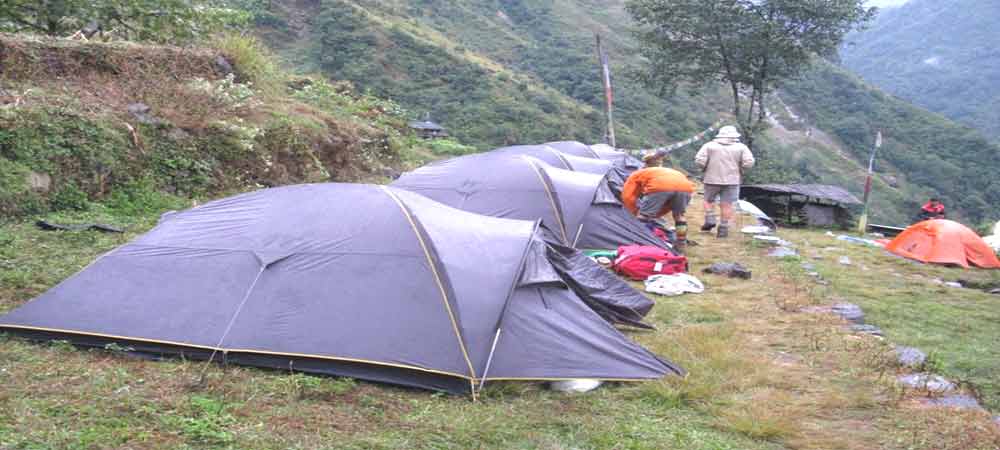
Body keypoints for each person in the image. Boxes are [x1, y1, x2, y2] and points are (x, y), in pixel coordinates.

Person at [695, 125, 755, 238]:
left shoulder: (709, 146)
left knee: (708, 200)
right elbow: (749, 162)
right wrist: (741, 169)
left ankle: (710, 218)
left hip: (711, 179)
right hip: (732, 181)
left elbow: (699, 160)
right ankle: (723, 228)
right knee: (727, 204)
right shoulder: (741, 147)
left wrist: (704, 168)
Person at [621, 167, 696, 246]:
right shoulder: (653, 172)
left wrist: (634, 213)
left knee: (644, 216)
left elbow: (627, 197)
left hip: (660, 185)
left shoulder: (633, 177)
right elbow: (665, 206)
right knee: (679, 215)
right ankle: (681, 241)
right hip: (685, 187)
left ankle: (639, 239)